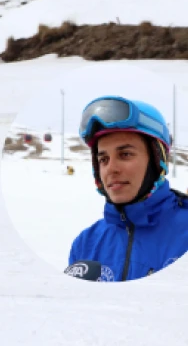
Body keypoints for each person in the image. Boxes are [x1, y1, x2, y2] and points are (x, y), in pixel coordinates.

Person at [68, 95, 188, 282]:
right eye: (103, 159)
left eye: (125, 154)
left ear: (157, 161)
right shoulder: (86, 244)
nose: (111, 169)